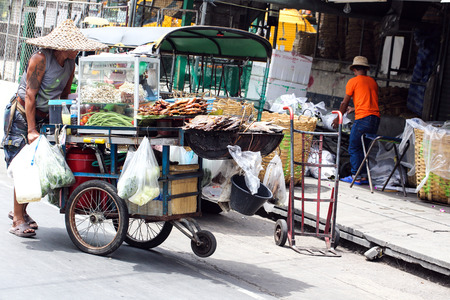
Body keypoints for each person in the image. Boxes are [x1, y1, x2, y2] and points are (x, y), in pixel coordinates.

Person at [2, 19, 106, 238]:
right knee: (25, 165)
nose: (78, 49)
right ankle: (18, 219)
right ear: (62, 46)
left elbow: (63, 97)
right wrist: (31, 129)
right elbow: (30, 95)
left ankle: (21, 211)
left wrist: (66, 125)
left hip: (44, 116)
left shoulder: (71, 64)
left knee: (42, 165)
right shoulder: (40, 59)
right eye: (75, 46)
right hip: (22, 115)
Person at [332, 56, 380, 185]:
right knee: (364, 148)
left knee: (354, 147)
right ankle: (363, 176)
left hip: (363, 119)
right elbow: (368, 100)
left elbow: (344, 102)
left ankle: (356, 176)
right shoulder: (373, 82)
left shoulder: (353, 81)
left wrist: (338, 118)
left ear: (354, 69)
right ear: (366, 69)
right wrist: (354, 108)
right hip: (375, 119)